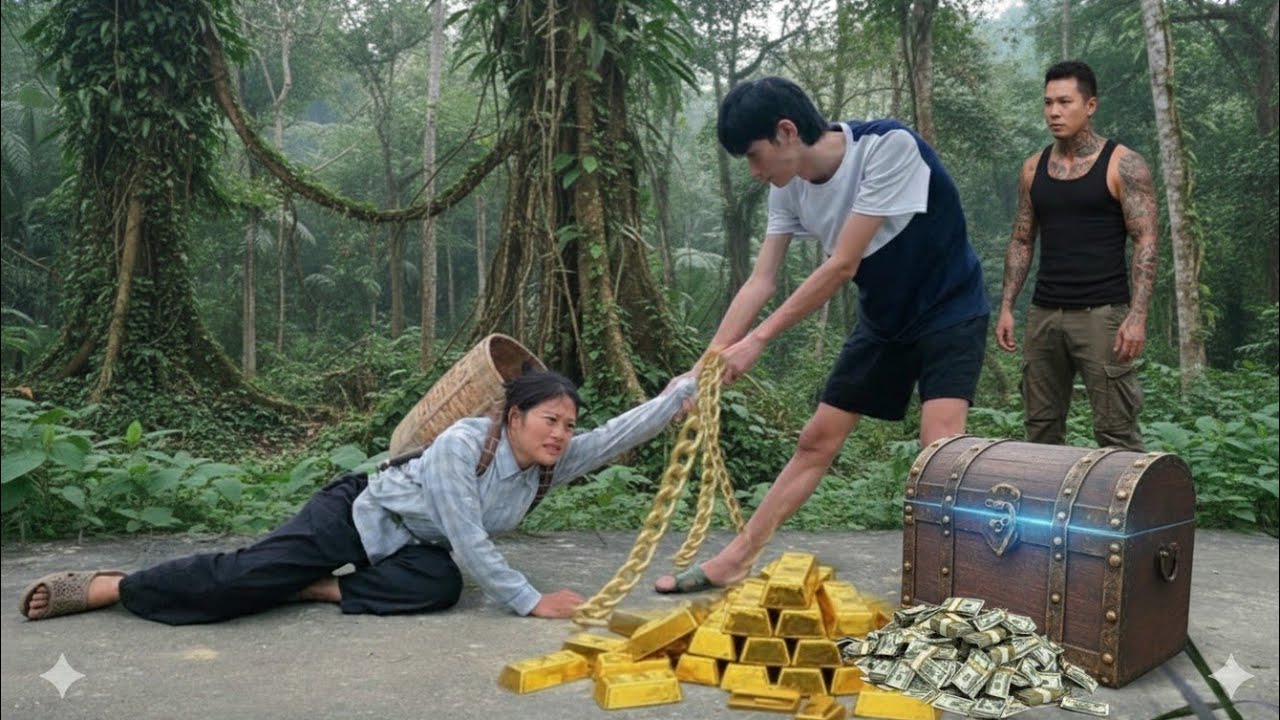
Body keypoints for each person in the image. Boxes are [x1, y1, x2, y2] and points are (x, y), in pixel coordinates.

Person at [655, 77, 989, 594]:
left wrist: (759, 341)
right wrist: (702, 370)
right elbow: (760, 281)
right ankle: (738, 556)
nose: (754, 171)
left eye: (754, 155)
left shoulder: (888, 147)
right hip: (884, 319)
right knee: (815, 440)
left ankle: (950, 580)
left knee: (939, 448)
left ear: (786, 132)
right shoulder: (786, 191)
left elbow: (841, 265)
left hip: (950, 307)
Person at [20, 371, 695, 624]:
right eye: (550, 419)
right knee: (248, 576)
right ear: (513, 417)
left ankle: (310, 589)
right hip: (358, 514)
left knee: (439, 589)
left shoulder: (554, 460)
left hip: (414, 548)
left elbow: (617, 433)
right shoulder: (467, 443)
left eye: (567, 424)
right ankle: (116, 585)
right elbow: (467, 536)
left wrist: (689, 388)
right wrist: (528, 599)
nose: (563, 434)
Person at [995, 61, 1157, 451]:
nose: (1054, 111)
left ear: (1090, 105)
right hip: (1044, 315)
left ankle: (1128, 512)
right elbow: (1021, 239)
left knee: (1116, 433)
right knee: (1040, 430)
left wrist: (1137, 316)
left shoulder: (1124, 165)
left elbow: (1146, 240)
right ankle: (1049, 511)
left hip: (1103, 315)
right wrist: (1006, 307)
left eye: (1065, 101)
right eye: (1048, 102)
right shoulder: (1033, 168)